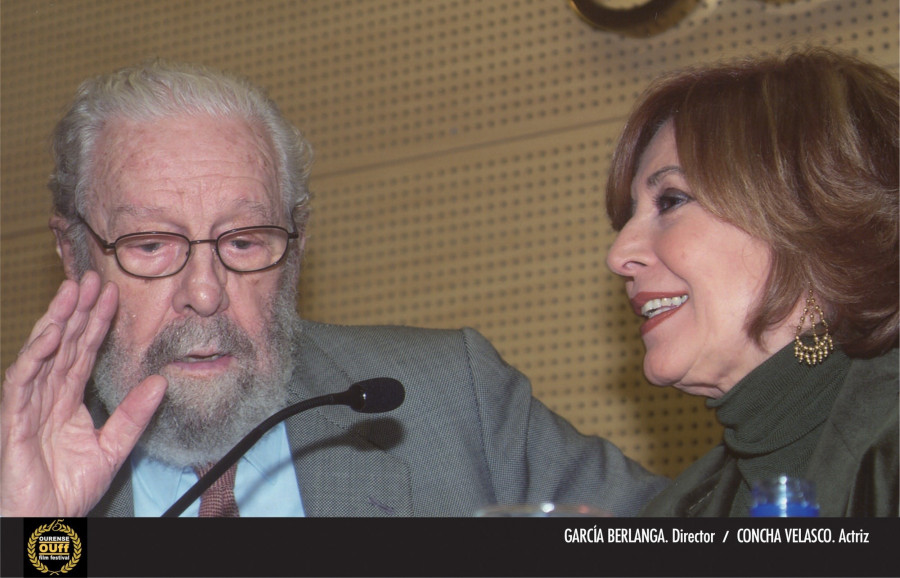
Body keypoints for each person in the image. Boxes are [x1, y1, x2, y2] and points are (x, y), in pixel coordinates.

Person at [0, 60, 668, 518]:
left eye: (244, 242)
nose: (204, 294)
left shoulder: (452, 400)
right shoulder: (17, 477)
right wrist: (31, 544)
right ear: (74, 252)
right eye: (151, 246)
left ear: (296, 247)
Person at [604, 47, 898, 516]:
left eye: (671, 200)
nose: (618, 255)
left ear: (810, 220)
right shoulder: (684, 512)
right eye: (627, 218)